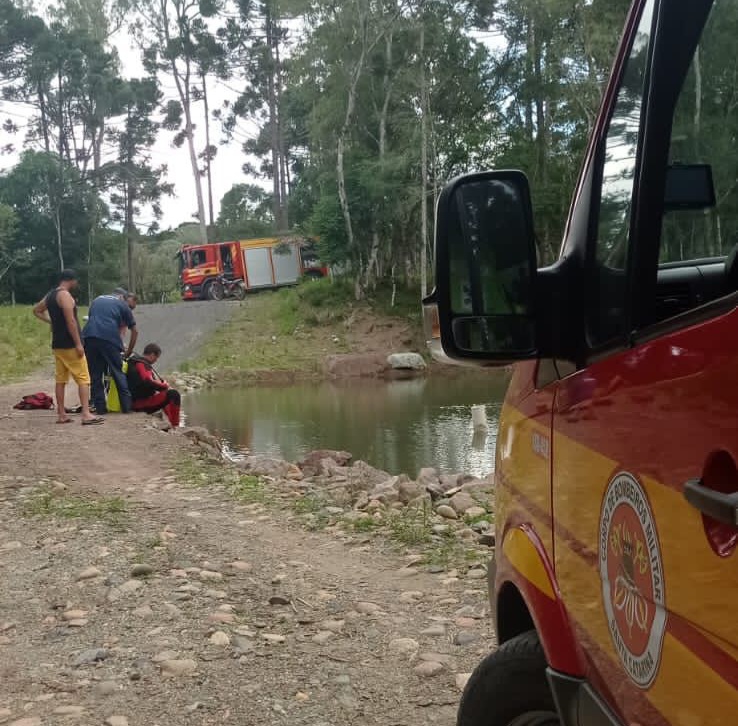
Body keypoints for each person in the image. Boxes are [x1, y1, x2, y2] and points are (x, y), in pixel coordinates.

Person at [32, 269, 103, 425]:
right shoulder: (65, 295)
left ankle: (62, 414)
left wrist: (51, 322)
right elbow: (71, 321)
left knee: (61, 379)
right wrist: (78, 343)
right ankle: (86, 414)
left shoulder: (50, 295)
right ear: (72, 280)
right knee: (83, 378)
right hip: (70, 344)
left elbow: (36, 310)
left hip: (57, 344)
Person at [83, 288, 138, 415]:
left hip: (89, 337)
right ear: (122, 297)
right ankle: (126, 407)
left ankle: (100, 409)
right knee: (117, 372)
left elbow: (93, 319)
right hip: (109, 339)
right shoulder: (122, 305)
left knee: (95, 375)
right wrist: (129, 351)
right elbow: (135, 331)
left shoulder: (96, 300)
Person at [127, 343, 181, 426]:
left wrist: (162, 387)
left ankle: (170, 421)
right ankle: (175, 425)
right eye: (157, 357)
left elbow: (146, 383)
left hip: (134, 401)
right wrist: (165, 385)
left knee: (166, 392)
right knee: (174, 394)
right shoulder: (142, 364)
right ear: (152, 355)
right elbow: (148, 381)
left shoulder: (135, 361)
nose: (156, 360)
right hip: (140, 404)